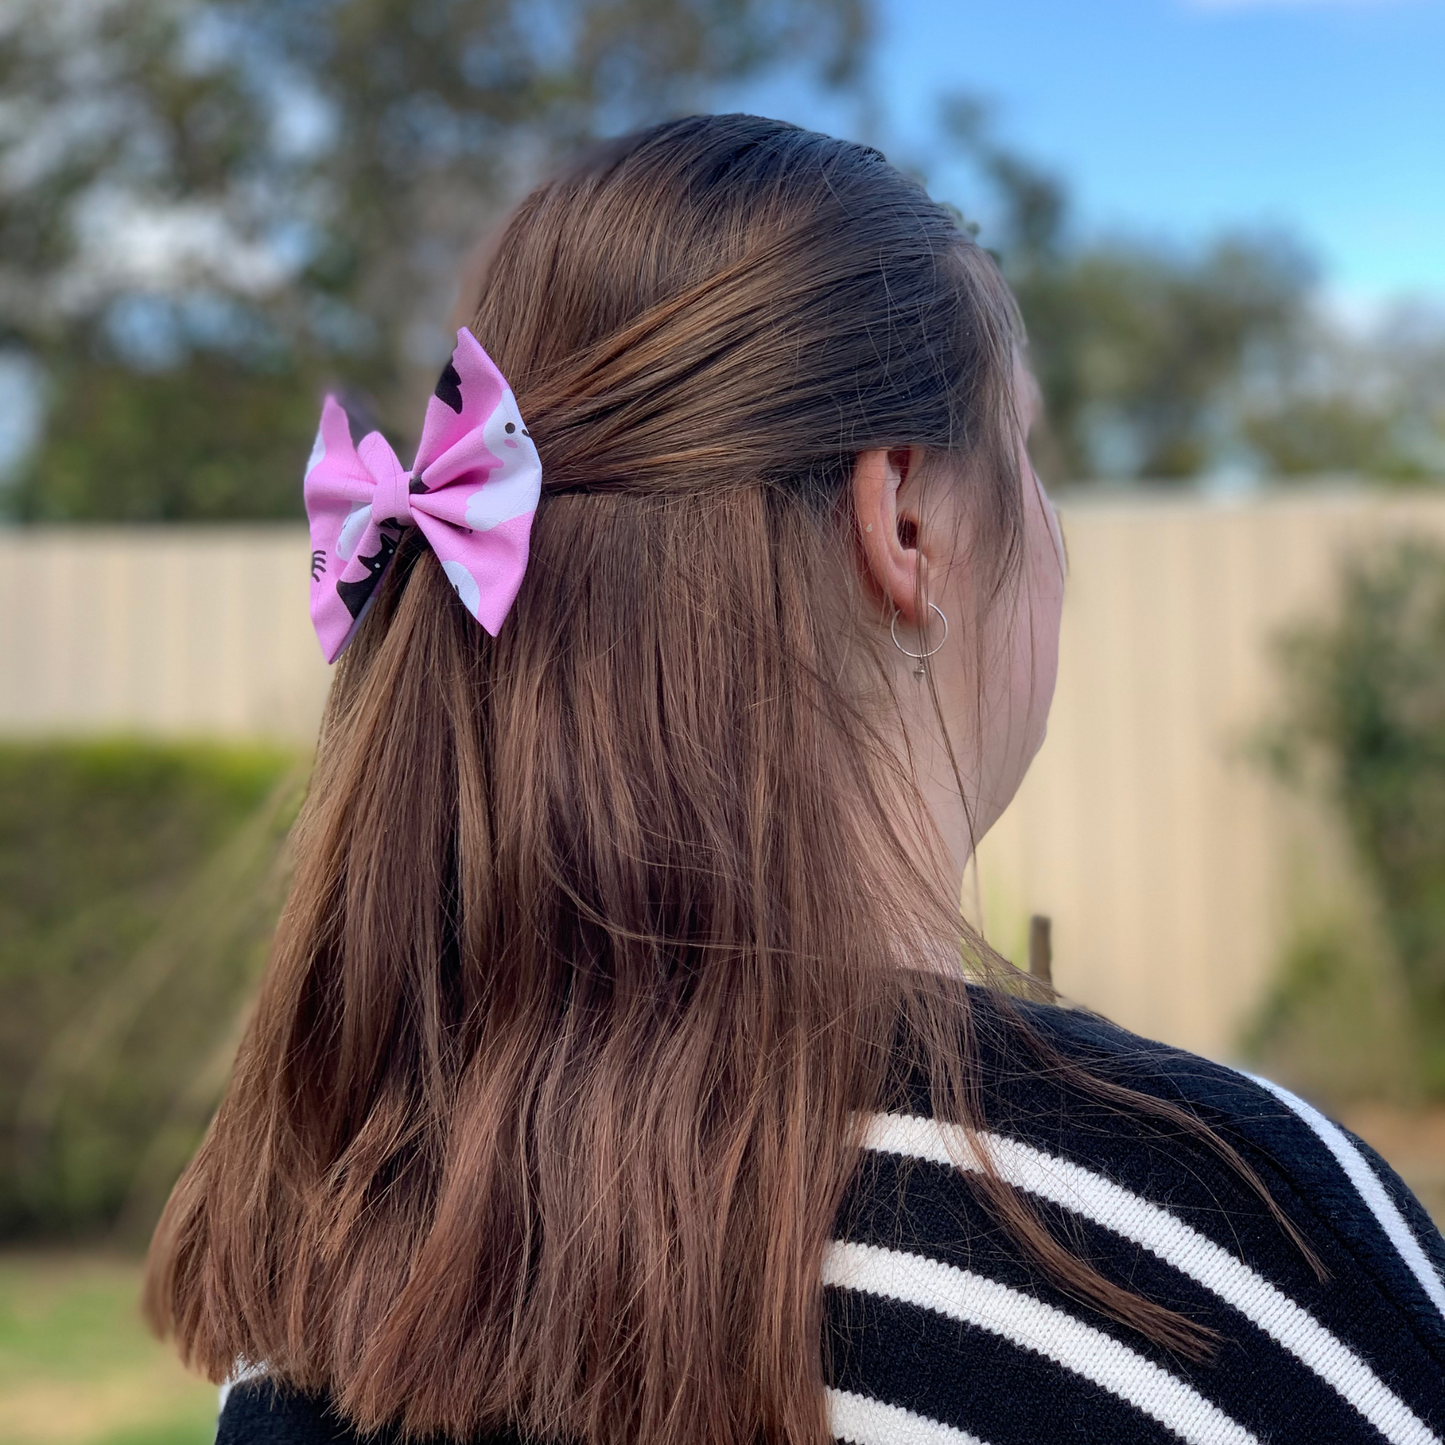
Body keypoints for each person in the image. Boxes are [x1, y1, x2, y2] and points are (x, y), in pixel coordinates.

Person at [144, 114, 1445, 1445]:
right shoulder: (1216, 1255)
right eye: (1030, 451)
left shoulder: (321, 1287)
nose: (1053, 529)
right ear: (905, 516)